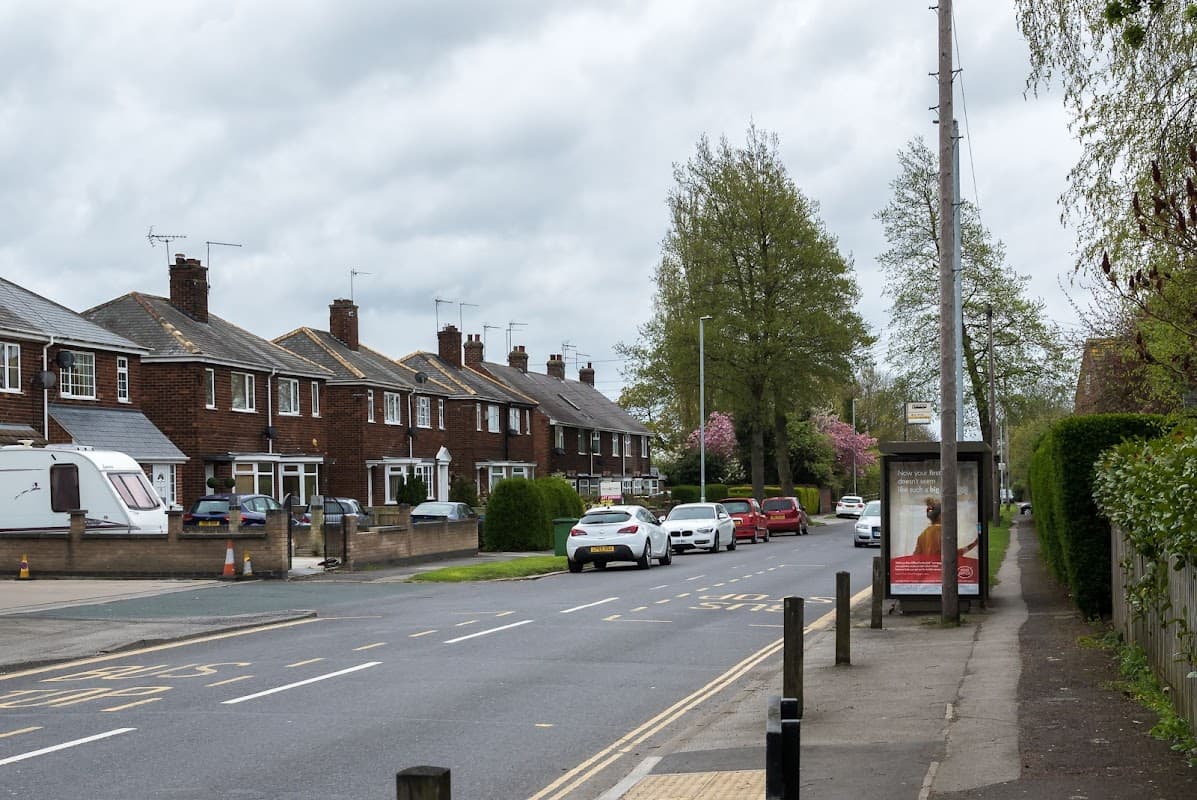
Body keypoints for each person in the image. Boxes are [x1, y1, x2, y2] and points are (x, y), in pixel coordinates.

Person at [913, 497, 979, 558]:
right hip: (940, 570)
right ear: (940, 516)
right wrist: (973, 545)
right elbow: (952, 555)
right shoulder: (943, 532)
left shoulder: (923, 535)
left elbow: (915, 556)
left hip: (929, 569)